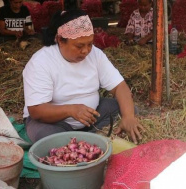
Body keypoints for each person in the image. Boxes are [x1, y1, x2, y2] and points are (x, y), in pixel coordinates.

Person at [23, 9, 144, 144]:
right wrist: (70, 110)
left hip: (91, 118)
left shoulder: (95, 55)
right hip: (53, 124)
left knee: (129, 110)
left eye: (90, 44)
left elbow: (119, 86)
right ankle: (87, 141)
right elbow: (36, 111)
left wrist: (128, 117)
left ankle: (85, 140)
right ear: (60, 40)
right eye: (79, 46)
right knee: (48, 138)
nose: (86, 51)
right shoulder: (41, 61)